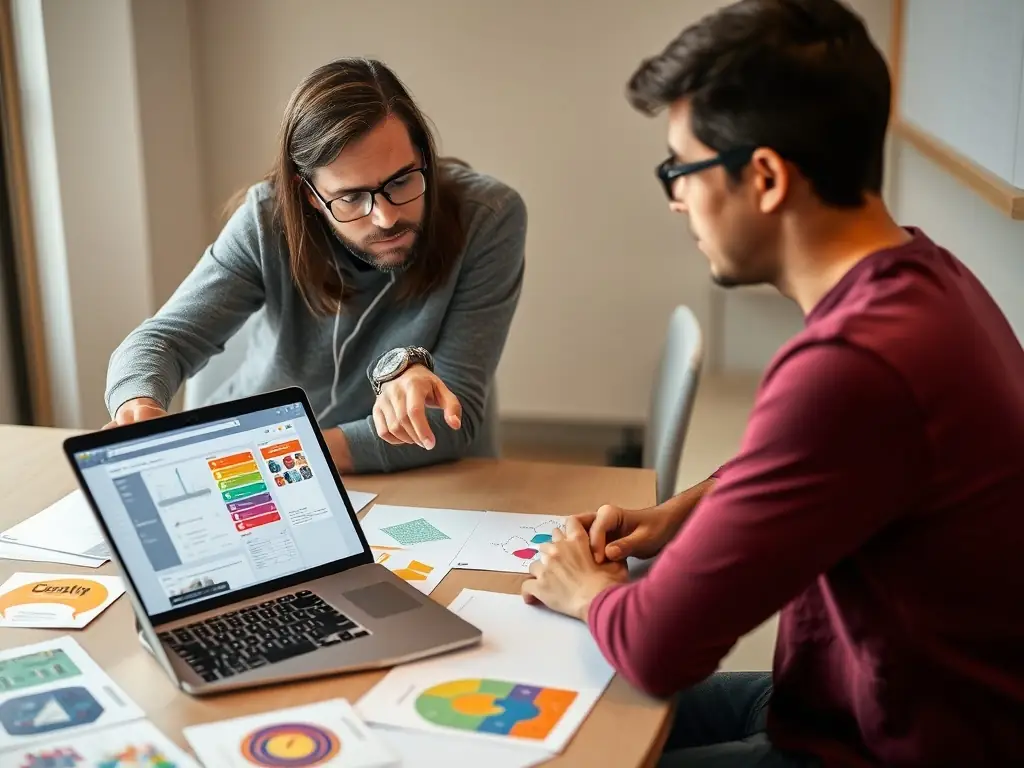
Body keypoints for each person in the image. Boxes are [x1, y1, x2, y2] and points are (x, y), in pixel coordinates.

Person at [522, 1, 1024, 765]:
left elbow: (660, 648)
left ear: (763, 177)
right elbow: (810, 462)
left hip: (887, 744)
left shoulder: (856, 361)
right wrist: (677, 516)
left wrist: (585, 591)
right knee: (562, 708)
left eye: (680, 170)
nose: (675, 199)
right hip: (837, 694)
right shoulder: (928, 276)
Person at [104, 58, 526, 474]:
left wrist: (290, 451)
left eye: (401, 181)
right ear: (307, 193)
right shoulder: (266, 220)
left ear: (425, 158)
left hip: (377, 472)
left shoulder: (488, 217)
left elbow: (453, 419)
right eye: (350, 197)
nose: (385, 217)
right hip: (256, 462)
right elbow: (163, 342)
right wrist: (138, 406)